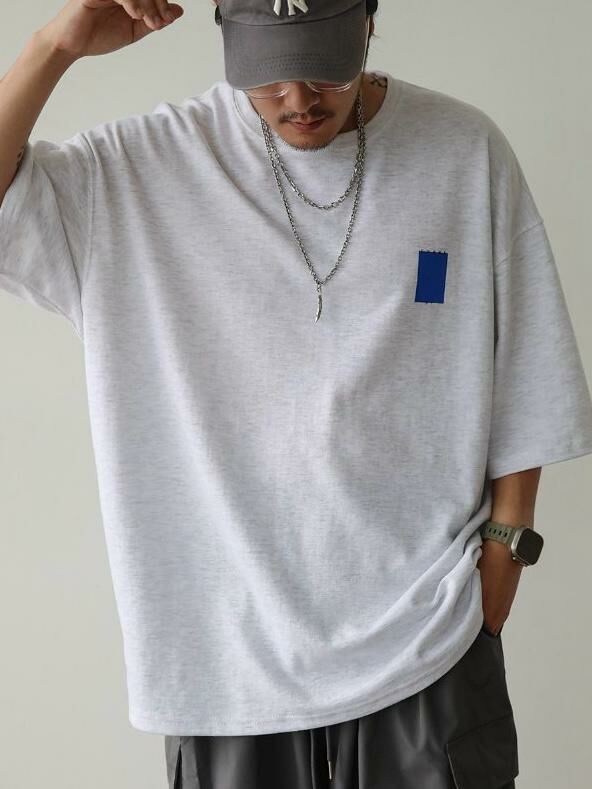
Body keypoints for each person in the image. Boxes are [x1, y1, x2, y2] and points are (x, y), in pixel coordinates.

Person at [1, 1, 592, 787]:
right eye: (268, 72)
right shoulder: (136, 171)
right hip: (226, 673)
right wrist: (55, 44)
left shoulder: (463, 151)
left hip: (429, 645)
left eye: (324, 65)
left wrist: (503, 560)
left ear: (369, 22)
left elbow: (525, 368)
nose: (299, 97)